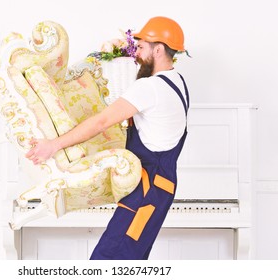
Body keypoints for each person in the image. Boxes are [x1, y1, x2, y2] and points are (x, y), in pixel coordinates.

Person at [25, 16, 190, 260]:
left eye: (142, 47)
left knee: (108, 261)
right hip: (162, 188)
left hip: (145, 190)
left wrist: (53, 145)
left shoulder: (149, 88)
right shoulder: (179, 83)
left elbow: (101, 122)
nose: (137, 54)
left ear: (158, 49)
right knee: (131, 262)